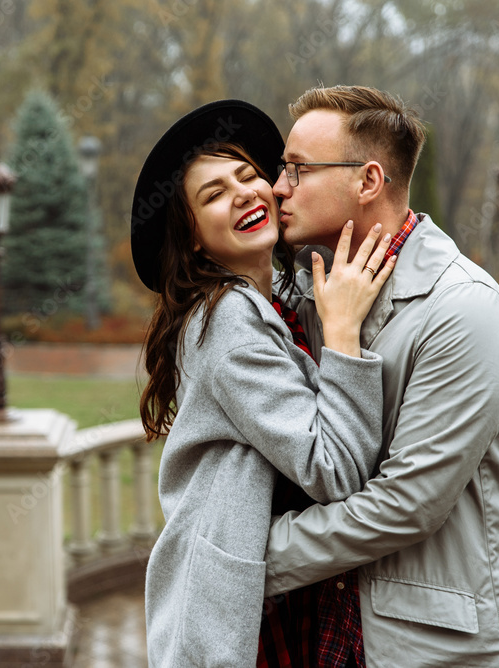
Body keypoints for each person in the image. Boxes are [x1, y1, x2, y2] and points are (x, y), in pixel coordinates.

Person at [263, 84, 499, 667]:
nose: (277, 187)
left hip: (442, 651)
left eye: (296, 170)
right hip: (332, 638)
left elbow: (407, 503)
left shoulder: (465, 311)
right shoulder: (312, 298)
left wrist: (247, 556)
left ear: (367, 181)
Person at [131, 99, 395, 666]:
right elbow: (336, 470)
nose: (246, 193)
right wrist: (344, 333)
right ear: (195, 237)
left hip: (282, 588)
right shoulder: (225, 319)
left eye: (249, 175)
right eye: (214, 194)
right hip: (245, 617)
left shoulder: (276, 297)